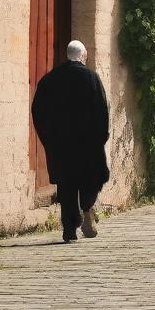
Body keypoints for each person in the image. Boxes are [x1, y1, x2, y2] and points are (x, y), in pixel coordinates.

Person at [31, 40, 110, 244]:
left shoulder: (50, 80)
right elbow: (102, 109)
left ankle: (69, 228)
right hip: (87, 144)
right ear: (83, 55)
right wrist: (101, 137)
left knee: (66, 186)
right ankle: (86, 208)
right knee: (91, 179)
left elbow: (38, 111)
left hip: (61, 144)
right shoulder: (91, 78)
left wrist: (48, 137)